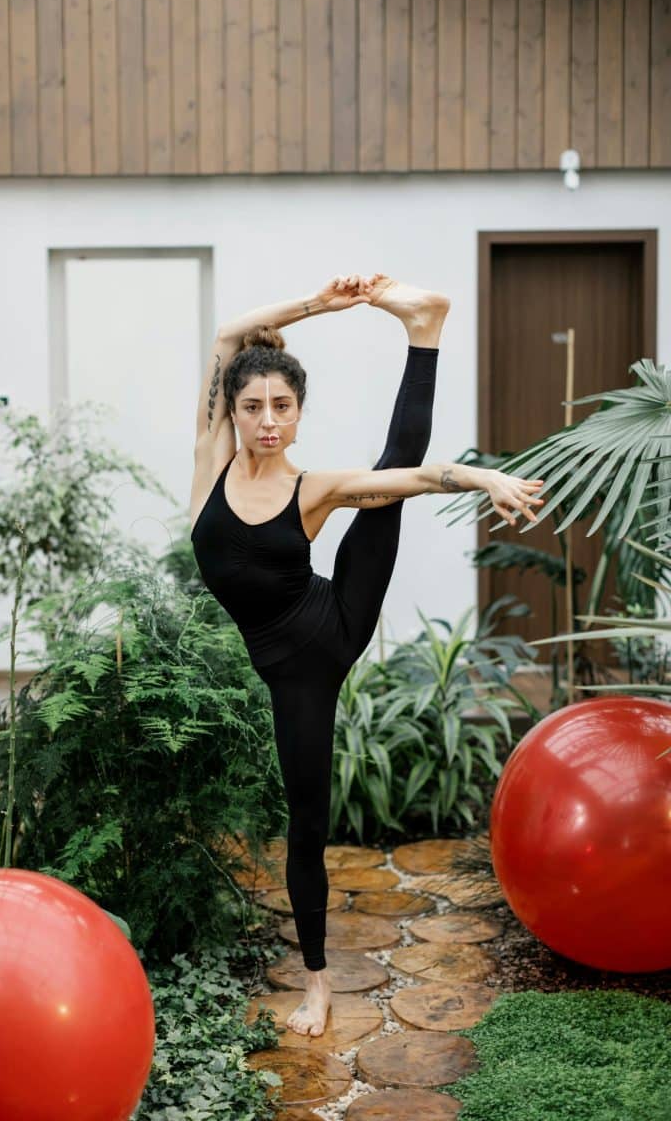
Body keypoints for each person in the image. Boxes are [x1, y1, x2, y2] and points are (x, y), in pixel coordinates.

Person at [189, 274, 544, 1037]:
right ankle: (423, 320)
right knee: (305, 815)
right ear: (234, 411)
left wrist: (480, 476)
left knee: (307, 820)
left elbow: (409, 475)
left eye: (282, 407)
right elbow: (228, 337)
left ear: (298, 413)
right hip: (282, 659)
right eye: (253, 406)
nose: (267, 420)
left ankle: (316, 987)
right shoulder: (210, 464)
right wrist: (322, 303)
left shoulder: (311, 487)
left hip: (329, 637)